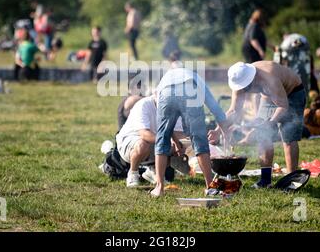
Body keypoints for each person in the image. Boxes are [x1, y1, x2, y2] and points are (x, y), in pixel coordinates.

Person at [212, 61, 306, 189]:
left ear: (252, 79)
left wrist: (271, 122)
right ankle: (265, 180)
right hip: (269, 97)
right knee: (263, 136)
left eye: (245, 87)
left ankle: (291, 180)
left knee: (289, 138)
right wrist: (218, 130)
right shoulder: (239, 80)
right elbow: (234, 111)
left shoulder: (269, 78)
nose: (244, 90)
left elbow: (283, 106)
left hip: (293, 93)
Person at [150, 67, 230, 197]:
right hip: (190, 90)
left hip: (166, 93)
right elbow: (215, 108)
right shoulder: (196, 79)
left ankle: (159, 188)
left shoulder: (163, 83)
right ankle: (210, 186)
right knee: (199, 138)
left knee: (162, 138)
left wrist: (174, 140)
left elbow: (164, 129)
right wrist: (225, 133)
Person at [116, 94, 185, 187]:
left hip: (154, 141)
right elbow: (144, 134)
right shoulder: (143, 105)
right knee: (143, 145)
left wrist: (189, 140)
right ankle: (133, 173)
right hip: (129, 141)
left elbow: (177, 133)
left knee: (176, 145)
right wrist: (166, 140)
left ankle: (154, 172)